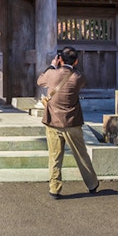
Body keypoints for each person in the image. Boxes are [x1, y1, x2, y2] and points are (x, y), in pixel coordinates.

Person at [37, 45, 99, 199]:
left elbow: (40, 81)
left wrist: (52, 65)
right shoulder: (78, 77)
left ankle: (55, 188)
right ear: (76, 61)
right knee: (81, 154)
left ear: (60, 59)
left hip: (53, 122)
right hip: (72, 122)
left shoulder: (52, 74)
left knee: (55, 157)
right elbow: (81, 82)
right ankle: (92, 184)